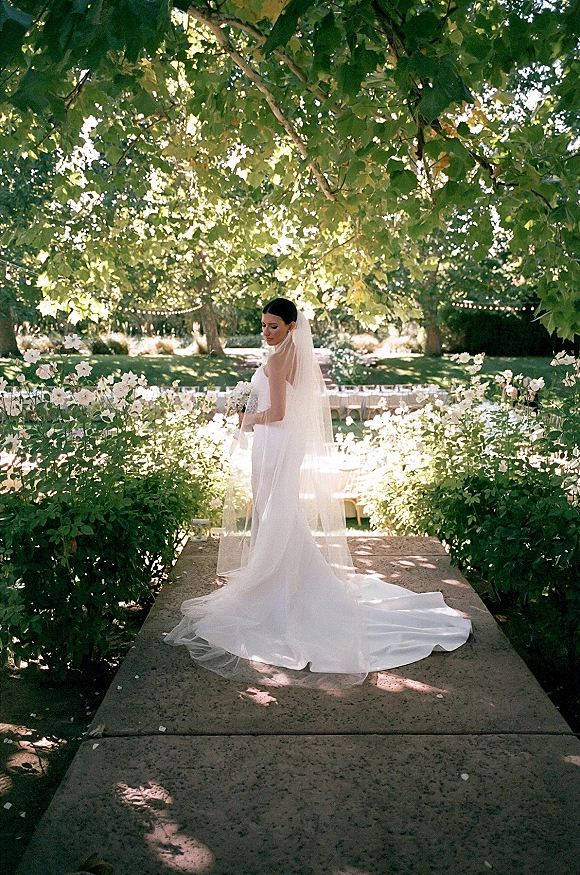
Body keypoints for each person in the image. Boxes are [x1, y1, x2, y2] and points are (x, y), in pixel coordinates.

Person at [165, 299, 471, 687]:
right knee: (278, 512)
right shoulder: (293, 355)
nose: (266, 332)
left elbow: (276, 413)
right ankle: (286, 579)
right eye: (263, 325)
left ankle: (275, 588)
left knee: (274, 512)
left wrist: (245, 416)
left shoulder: (278, 361)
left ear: (292, 326)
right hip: (279, 444)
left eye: (273, 326)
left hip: (273, 442)